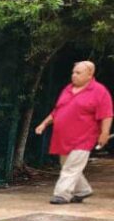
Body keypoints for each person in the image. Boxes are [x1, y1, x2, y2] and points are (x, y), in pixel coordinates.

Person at [36, 61, 113, 204]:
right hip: (63, 138)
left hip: (84, 138)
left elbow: (106, 114)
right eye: (73, 72)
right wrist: (44, 123)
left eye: (78, 73)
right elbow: (57, 110)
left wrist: (104, 133)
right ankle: (83, 190)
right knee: (68, 166)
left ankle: (62, 194)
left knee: (71, 167)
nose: (74, 75)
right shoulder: (67, 89)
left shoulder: (99, 91)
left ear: (90, 74)